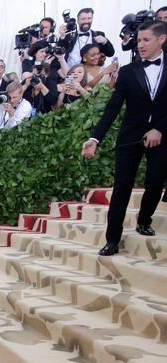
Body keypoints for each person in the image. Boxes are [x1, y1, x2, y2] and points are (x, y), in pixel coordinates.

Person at [82, 21, 167, 256]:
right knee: (121, 188)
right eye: (138, 40)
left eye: (146, 40)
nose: (140, 45)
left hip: (162, 136)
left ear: (162, 39)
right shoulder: (129, 72)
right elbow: (112, 108)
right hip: (130, 138)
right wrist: (95, 138)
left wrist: (159, 129)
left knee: (155, 182)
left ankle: (144, 219)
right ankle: (112, 239)